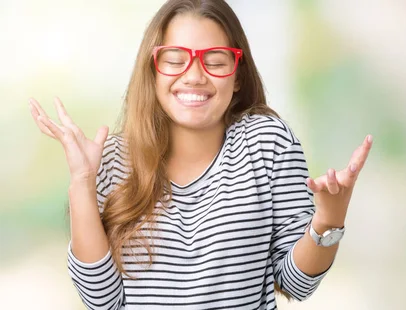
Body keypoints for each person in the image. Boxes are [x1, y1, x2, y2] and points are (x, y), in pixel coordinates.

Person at [28, 0, 372, 309]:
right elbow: (101, 300)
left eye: (215, 62)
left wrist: (329, 220)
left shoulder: (267, 143)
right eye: (175, 60)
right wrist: (83, 184)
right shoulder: (112, 159)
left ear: (237, 75)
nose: (193, 76)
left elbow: (297, 284)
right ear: (153, 71)